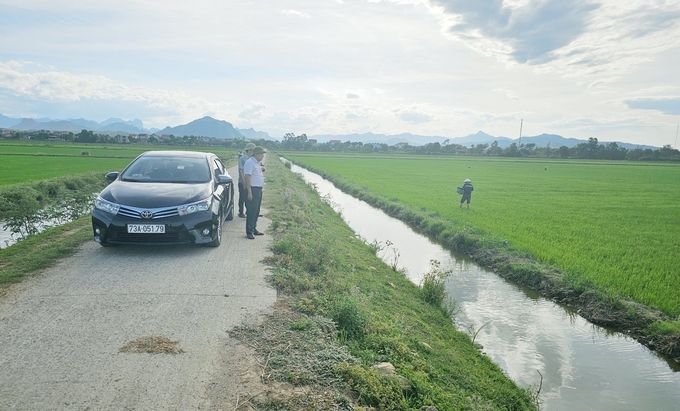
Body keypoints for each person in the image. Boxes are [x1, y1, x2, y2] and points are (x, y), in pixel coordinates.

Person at [244, 146, 266, 239]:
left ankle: (254, 228)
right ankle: (249, 231)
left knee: (256, 211)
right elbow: (247, 177)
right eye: (261, 154)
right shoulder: (250, 163)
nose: (263, 156)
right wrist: (249, 192)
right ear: (256, 154)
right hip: (252, 189)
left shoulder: (257, 163)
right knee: (251, 211)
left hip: (258, 189)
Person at [237, 143, 256, 218]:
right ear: (250, 150)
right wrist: (244, 182)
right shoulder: (243, 159)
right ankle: (241, 212)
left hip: (250, 182)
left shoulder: (253, 159)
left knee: (250, 198)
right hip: (242, 182)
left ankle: (249, 212)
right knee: (242, 197)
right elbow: (240, 171)